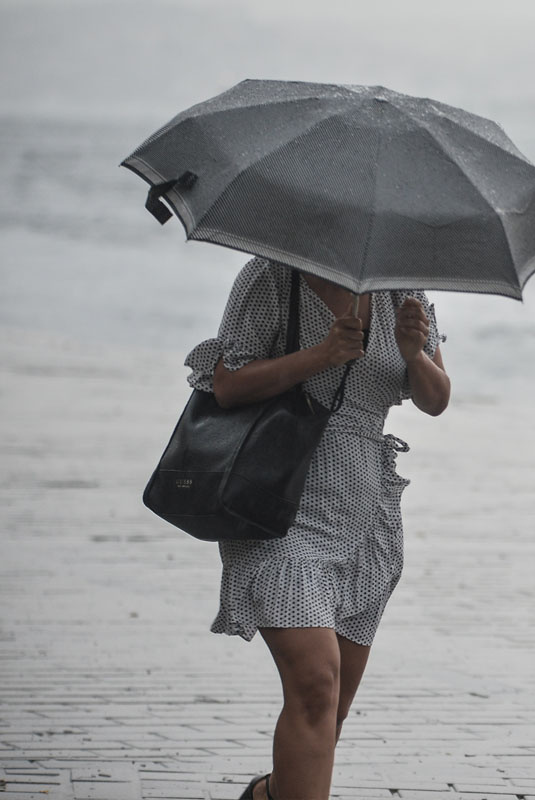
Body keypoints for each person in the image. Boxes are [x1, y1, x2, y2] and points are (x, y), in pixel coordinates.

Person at [184, 257, 451, 800]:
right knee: (314, 686)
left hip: (365, 516)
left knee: (328, 712)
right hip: (276, 506)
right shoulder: (270, 276)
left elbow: (436, 398)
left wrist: (413, 354)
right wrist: (321, 356)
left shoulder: (405, 288)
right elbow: (227, 385)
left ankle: (266, 795)